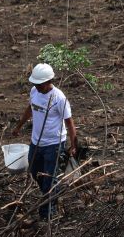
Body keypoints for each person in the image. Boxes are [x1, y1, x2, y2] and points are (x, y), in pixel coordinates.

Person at [11, 63, 77, 221]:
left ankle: (47, 214)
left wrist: (74, 145)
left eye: (40, 84)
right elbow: (30, 109)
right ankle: (52, 192)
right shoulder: (34, 91)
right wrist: (19, 126)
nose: (37, 87)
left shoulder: (59, 98)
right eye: (35, 84)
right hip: (36, 142)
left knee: (49, 179)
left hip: (54, 145)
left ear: (49, 81)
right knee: (34, 171)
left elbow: (69, 122)